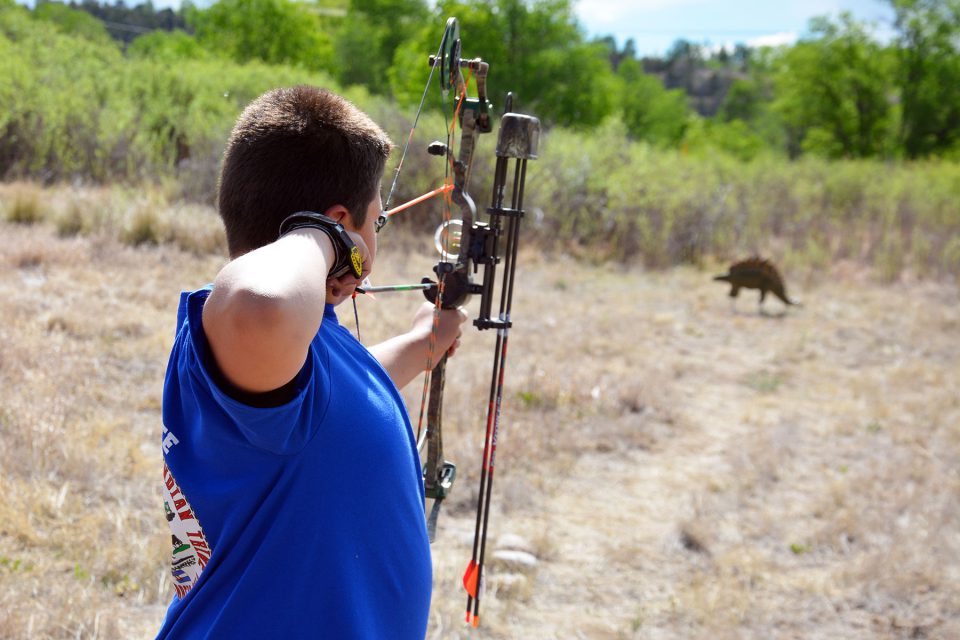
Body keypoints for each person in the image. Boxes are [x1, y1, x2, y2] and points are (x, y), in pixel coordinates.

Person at [156, 85, 467, 639]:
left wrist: (423, 342)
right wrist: (326, 235)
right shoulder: (246, 325)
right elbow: (265, 307)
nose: (373, 244)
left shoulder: (296, 354)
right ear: (339, 226)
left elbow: (336, 406)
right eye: (375, 224)